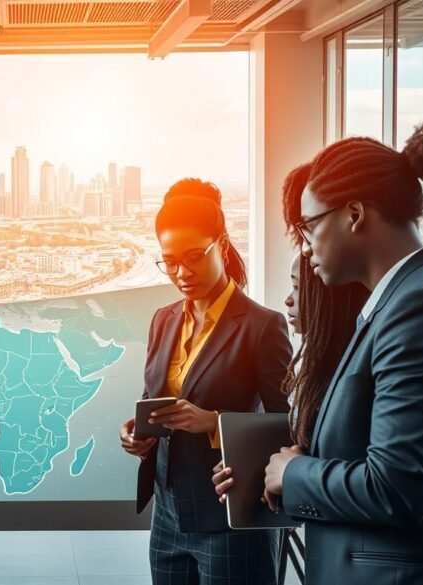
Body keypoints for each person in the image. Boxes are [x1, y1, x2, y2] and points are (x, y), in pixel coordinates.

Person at [263, 120, 423, 584]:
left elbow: (398, 488)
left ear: (354, 214)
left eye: (309, 226)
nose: (307, 246)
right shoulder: (401, 301)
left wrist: (296, 473)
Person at [117, 178, 292, 585]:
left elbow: (287, 425)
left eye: (194, 256)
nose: (181, 273)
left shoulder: (262, 326)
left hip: (228, 512)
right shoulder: (163, 319)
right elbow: (153, 401)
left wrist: (213, 422)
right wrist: (138, 436)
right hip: (168, 512)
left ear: (223, 245)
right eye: (170, 261)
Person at [213, 162, 368, 502]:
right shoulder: (322, 363)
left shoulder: (364, 353)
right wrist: (258, 468)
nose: (308, 247)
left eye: (298, 287)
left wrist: (292, 474)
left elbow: (386, 481)